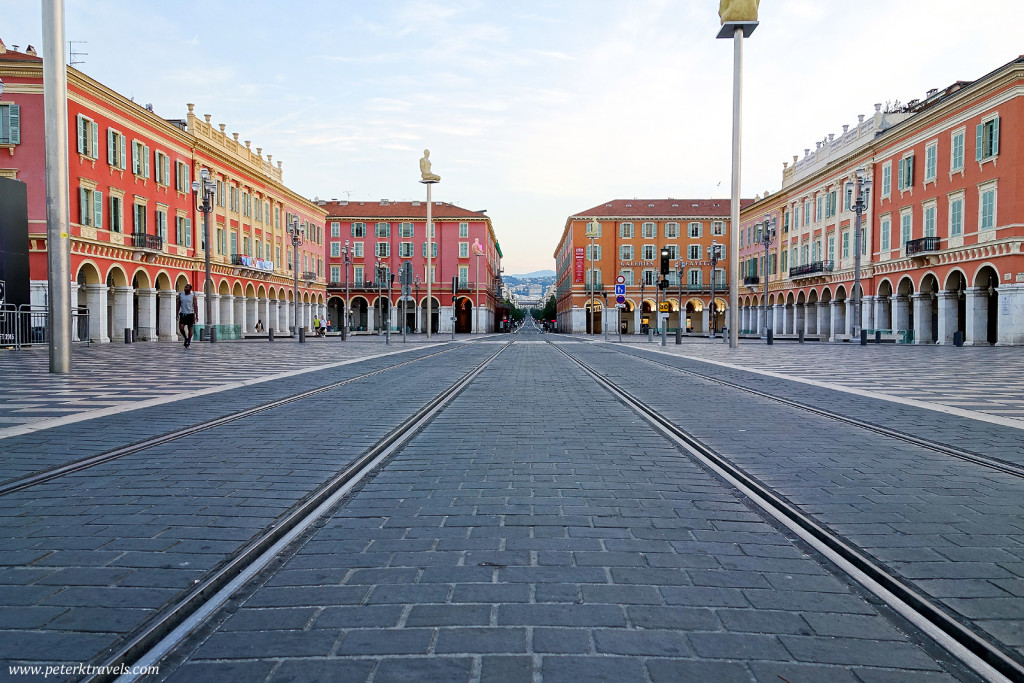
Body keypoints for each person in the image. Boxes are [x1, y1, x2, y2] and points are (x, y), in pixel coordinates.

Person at [176, 283, 197, 348]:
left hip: (190, 314)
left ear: (190, 289)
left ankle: (188, 341)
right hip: (183, 314)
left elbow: (195, 306)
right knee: (181, 328)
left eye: (187, 287)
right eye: (185, 287)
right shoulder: (181, 295)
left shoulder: (193, 296)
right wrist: (177, 313)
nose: (185, 288)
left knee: (190, 329)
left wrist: (196, 315)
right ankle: (185, 338)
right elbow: (178, 305)